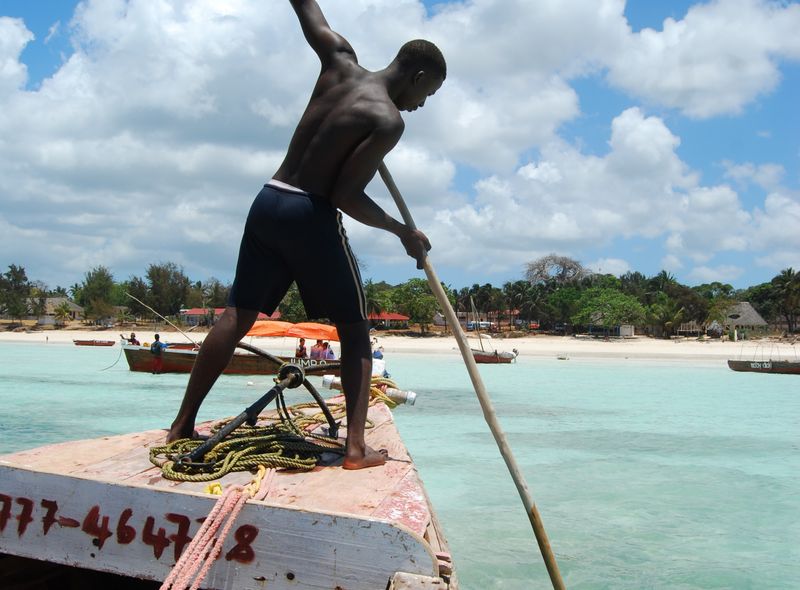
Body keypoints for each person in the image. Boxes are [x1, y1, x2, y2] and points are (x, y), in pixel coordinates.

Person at [167, 0, 445, 470]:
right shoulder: (387, 120)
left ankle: (181, 424)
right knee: (355, 328)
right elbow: (344, 195)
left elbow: (307, 9)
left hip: (268, 200)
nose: (420, 106)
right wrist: (402, 232)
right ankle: (356, 449)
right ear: (417, 76)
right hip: (308, 212)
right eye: (427, 95)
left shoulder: (338, 59)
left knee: (237, 316)